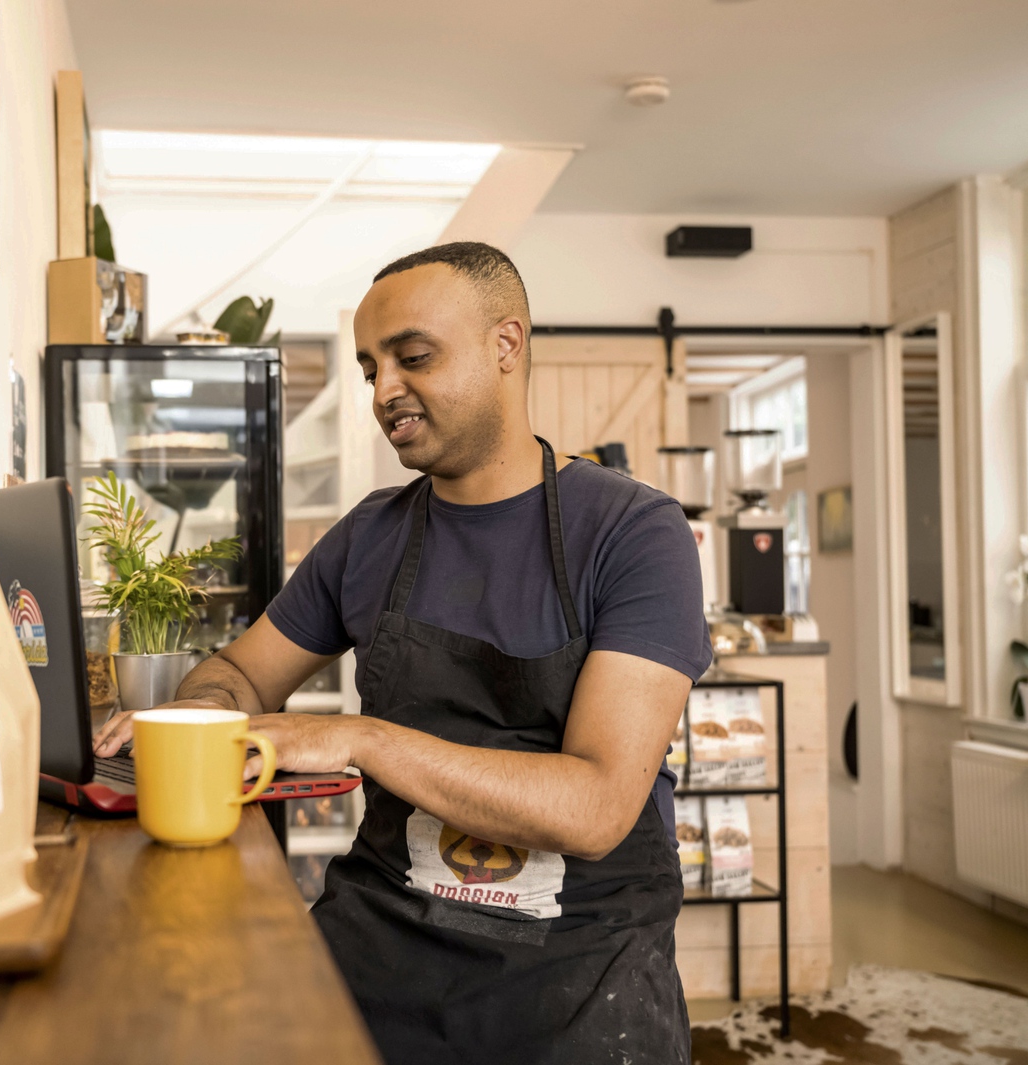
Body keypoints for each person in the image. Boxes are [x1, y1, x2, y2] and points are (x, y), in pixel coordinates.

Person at [93, 241, 712, 1064]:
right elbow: (239, 671)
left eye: (413, 357)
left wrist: (359, 737)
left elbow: (596, 807)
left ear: (507, 345)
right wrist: (204, 718)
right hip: (387, 943)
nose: (385, 390)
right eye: (369, 367)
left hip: (580, 975)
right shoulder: (371, 536)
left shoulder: (635, 532)